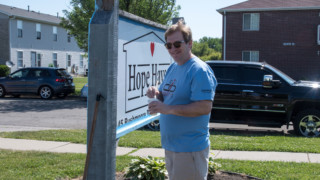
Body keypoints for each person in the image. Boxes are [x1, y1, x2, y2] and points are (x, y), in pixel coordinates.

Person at [146, 20, 217, 180]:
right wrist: (156, 92)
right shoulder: (174, 67)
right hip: (172, 146)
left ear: (190, 43)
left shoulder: (199, 70)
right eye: (168, 45)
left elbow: (204, 107)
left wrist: (168, 109)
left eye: (177, 44)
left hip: (189, 149)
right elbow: (166, 97)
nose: (172, 49)